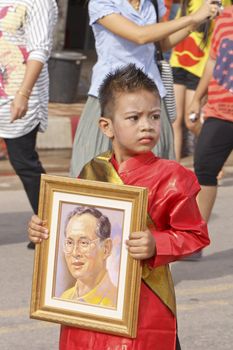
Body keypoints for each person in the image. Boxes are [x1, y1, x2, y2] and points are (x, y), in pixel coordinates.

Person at [28, 64, 210, 350]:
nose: (147, 125)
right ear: (106, 126)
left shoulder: (173, 177)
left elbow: (195, 235)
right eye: (134, 118)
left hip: (144, 300)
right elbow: (67, 226)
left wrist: (157, 244)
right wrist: (44, 229)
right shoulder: (93, 170)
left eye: (154, 116)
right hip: (89, 307)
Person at [70, 0, 220, 178]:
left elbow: (161, 43)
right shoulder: (102, 2)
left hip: (151, 95)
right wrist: (191, 17)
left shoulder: (153, 3)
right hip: (111, 97)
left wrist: (195, 23)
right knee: (97, 174)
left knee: (153, 176)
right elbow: (140, 36)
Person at [0, 0, 58, 247]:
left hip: (16, 93)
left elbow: (39, 50)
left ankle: (49, 225)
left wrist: (23, 94)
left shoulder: (39, 2)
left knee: (24, 163)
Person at [187, 4, 233, 225]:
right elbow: (213, 62)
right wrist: (197, 98)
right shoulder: (224, 19)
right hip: (219, 112)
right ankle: (196, 236)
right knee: (204, 169)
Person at [170, 0, 230, 161]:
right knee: (174, 121)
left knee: (192, 122)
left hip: (200, 69)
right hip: (178, 63)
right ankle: (175, 168)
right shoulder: (186, 2)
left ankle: (213, 155)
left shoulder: (219, 2)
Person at [60, 206, 117, 308]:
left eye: (84, 243)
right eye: (69, 242)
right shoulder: (65, 298)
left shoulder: (116, 304)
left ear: (106, 249)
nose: (75, 252)